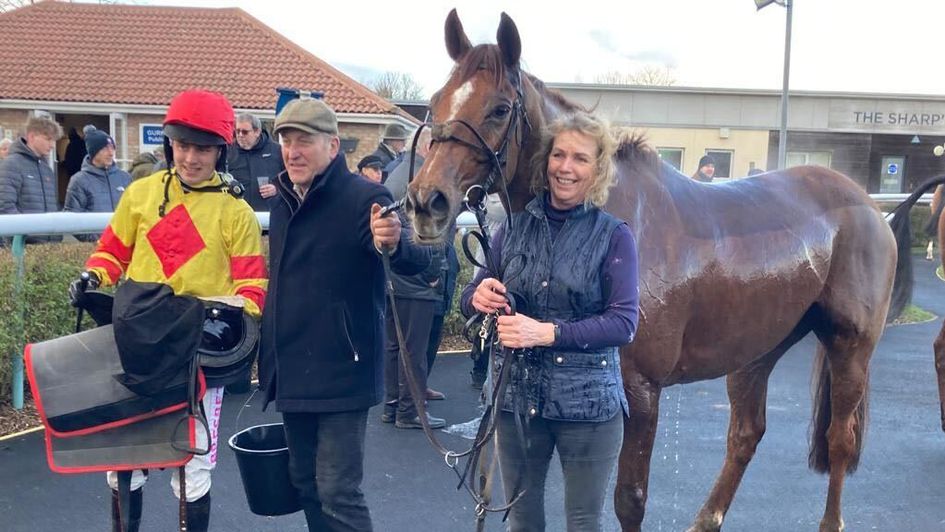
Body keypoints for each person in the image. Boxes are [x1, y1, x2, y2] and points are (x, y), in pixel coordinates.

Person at [69, 89, 267, 532]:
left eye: (203, 148)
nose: (191, 158)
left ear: (221, 151)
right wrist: (92, 278)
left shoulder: (236, 213)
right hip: (135, 343)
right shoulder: (140, 195)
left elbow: (252, 288)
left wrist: (230, 314)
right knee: (124, 462)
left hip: (196, 353)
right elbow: (111, 255)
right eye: (183, 146)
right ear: (169, 144)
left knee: (191, 466)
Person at [461, 112, 639, 531]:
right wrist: (479, 297)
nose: (566, 167)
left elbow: (623, 323)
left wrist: (548, 333)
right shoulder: (512, 228)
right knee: (521, 520)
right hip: (514, 399)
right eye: (558, 155)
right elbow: (472, 295)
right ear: (545, 162)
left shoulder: (614, 235)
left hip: (588, 405)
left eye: (580, 158)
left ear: (597, 169)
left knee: (582, 522)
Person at [258, 97, 429, 531]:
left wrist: (392, 241)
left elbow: (415, 258)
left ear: (333, 147)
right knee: (305, 483)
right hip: (292, 367)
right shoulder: (282, 202)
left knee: (338, 491)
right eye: (285, 141)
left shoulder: (365, 198)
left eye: (304, 141)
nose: (292, 151)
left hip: (342, 370)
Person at [381, 128, 448, 428]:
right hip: (416, 277)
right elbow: (427, 230)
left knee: (395, 347)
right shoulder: (423, 178)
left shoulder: (396, 172)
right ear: (429, 145)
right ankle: (409, 412)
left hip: (394, 275)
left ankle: (393, 405)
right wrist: (434, 273)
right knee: (414, 351)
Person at [63, 125, 132, 241]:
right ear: (93, 152)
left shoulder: (125, 178)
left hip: (123, 248)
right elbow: (71, 220)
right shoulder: (79, 181)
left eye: (112, 148)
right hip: (96, 250)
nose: (111, 153)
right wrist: (95, 240)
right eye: (105, 149)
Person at [0, 115, 63, 216]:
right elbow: (5, 206)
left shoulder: (46, 168)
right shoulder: (11, 165)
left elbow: (52, 206)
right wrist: (23, 230)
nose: (52, 145)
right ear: (32, 137)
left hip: (46, 230)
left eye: (54, 140)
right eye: (48, 139)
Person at [227, 113, 283, 212]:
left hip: (269, 214)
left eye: (244, 132)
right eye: (237, 131)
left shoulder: (277, 151)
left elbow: (291, 180)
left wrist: (277, 189)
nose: (240, 135)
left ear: (257, 132)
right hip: (236, 214)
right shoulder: (228, 152)